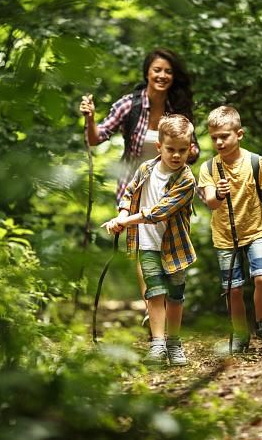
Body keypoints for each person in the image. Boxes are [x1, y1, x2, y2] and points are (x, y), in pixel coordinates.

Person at [80, 48, 199, 322]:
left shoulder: (177, 107)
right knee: (143, 243)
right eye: (157, 69)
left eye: (168, 71)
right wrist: (89, 119)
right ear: (147, 71)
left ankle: (166, 297)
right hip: (135, 184)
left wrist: (187, 152)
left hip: (171, 185)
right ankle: (152, 306)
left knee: (168, 238)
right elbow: (97, 138)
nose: (163, 75)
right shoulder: (128, 105)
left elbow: (192, 149)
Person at [101, 114, 196, 366]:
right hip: (147, 244)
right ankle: (157, 344)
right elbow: (129, 192)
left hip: (175, 247)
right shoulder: (146, 169)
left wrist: (125, 221)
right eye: (171, 149)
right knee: (154, 293)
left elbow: (158, 212)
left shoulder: (186, 180)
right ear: (159, 147)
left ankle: (174, 343)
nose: (176, 155)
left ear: (190, 149)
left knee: (175, 296)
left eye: (182, 150)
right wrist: (121, 214)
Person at [197, 106, 262, 353]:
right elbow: (210, 202)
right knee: (233, 289)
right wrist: (218, 193)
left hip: (256, 231)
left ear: (239, 134)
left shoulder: (254, 162)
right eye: (214, 137)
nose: (219, 142)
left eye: (224, 136)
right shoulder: (209, 168)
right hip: (224, 235)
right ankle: (240, 333)